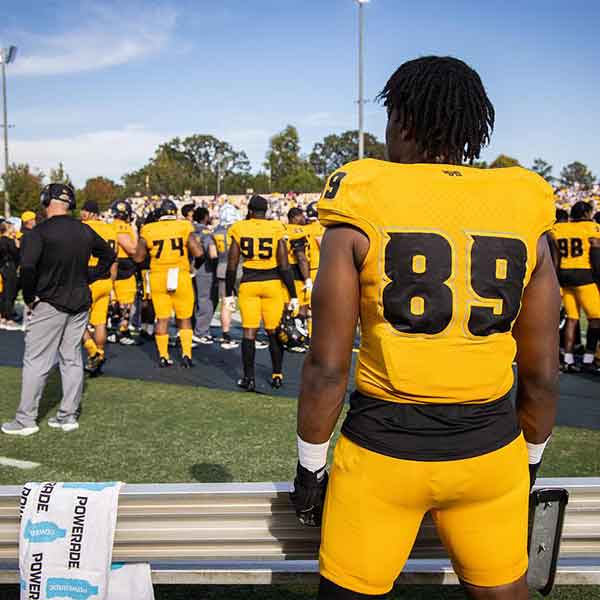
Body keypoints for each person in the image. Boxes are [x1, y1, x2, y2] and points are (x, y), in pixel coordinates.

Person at [291, 56, 560, 600]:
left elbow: (327, 366)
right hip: (492, 453)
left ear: (404, 124)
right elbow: (543, 373)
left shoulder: (363, 192)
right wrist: (529, 460)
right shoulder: (523, 200)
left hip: (383, 454)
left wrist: (309, 468)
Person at [2, 184, 115, 436]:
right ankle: (68, 416)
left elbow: (28, 269)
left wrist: (30, 297)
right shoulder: (84, 230)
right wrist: (90, 276)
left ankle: (25, 420)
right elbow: (108, 255)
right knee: (72, 358)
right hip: (80, 301)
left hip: (50, 301)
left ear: (46, 200)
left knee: (36, 360)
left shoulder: (38, 233)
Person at [225, 195, 298, 391]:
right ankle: (277, 375)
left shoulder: (239, 228)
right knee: (274, 331)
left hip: (249, 284)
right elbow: (284, 264)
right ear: (265, 211)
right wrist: (293, 294)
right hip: (272, 284)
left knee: (249, 332)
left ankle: (249, 378)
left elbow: (231, 265)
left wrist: (228, 294)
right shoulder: (275, 228)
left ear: (249, 210)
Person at [134, 198, 204, 368]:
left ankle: (164, 356)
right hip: (180, 275)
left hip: (158, 276)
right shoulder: (183, 226)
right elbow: (199, 253)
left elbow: (138, 258)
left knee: (162, 319)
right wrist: (193, 269)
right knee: (185, 318)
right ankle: (186, 355)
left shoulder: (149, 229)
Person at [552, 200, 600, 373]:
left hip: (564, 276)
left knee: (572, 319)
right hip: (584, 276)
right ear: (586, 213)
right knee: (596, 318)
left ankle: (568, 360)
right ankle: (588, 360)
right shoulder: (591, 227)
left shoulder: (560, 229)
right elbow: (595, 251)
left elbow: (556, 255)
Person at [80, 200, 118, 375]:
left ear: (91, 213)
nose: (82, 214)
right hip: (106, 280)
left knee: (76, 321)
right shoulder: (111, 230)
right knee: (100, 322)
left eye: (84, 211)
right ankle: (100, 355)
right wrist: (112, 285)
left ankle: (93, 352)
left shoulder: (84, 228)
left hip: (89, 278)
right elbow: (113, 260)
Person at [109, 199, 138, 345]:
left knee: (116, 300)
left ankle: (116, 329)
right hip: (123, 265)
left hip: (114, 264)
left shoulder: (111, 226)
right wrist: (134, 231)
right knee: (126, 301)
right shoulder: (122, 227)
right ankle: (122, 331)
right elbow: (132, 249)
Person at [192, 206, 219, 344]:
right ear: (205, 217)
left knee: (194, 300)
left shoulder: (189, 228)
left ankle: (192, 329)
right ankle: (201, 331)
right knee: (207, 300)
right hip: (204, 268)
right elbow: (212, 252)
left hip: (189, 268)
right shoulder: (206, 231)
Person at [212, 213, 239, 349]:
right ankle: (250, 332)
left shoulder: (216, 232)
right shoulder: (238, 230)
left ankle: (226, 332)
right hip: (239, 268)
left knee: (225, 302)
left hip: (222, 267)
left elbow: (213, 253)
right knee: (248, 302)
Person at [284, 208, 312, 320]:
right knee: (302, 308)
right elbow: (301, 257)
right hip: (297, 272)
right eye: (301, 216)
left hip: (283, 272)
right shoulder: (297, 231)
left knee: (286, 307)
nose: (304, 218)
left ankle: (284, 334)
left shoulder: (283, 229)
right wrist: (307, 279)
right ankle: (297, 334)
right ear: (295, 217)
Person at [0, 221, 20, 330]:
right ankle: (9, 318)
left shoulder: (0, 240)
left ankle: (3, 316)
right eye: (12, 227)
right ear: (8, 229)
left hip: (2, 267)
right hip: (10, 268)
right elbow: (17, 255)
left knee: (3, 293)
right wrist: (17, 245)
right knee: (10, 293)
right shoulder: (10, 241)